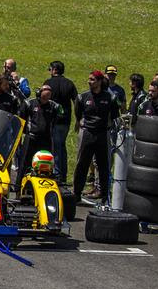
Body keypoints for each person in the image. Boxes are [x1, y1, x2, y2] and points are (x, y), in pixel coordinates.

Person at [73, 71, 119, 206]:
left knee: (104, 165)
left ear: (99, 81)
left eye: (92, 79)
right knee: (82, 164)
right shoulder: (83, 97)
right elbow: (78, 114)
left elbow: (115, 115)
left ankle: (105, 196)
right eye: (89, 79)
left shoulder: (110, 98)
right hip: (87, 133)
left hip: (102, 134)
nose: (89, 81)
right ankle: (76, 193)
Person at [16, 85, 60, 194]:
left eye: (48, 97)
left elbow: (55, 121)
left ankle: (44, 189)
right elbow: (21, 120)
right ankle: (18, 188)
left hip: (46, 139)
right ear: (39, 94)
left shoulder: (54, 106)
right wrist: (23, 135)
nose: (46, 99)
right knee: (25, 164)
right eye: (44, 96)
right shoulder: (29, 104)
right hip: (31, 138)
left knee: (46, 164)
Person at [46, 61, 78, 186]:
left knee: (55, 147)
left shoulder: (48, 83)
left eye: (50, 69)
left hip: (53, 120)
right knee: (62, 146)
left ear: (54, 70)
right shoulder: (69, 83)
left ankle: (57, 174)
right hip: (66, 120)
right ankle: (63, 174)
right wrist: (78, 118)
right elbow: (76, 101)